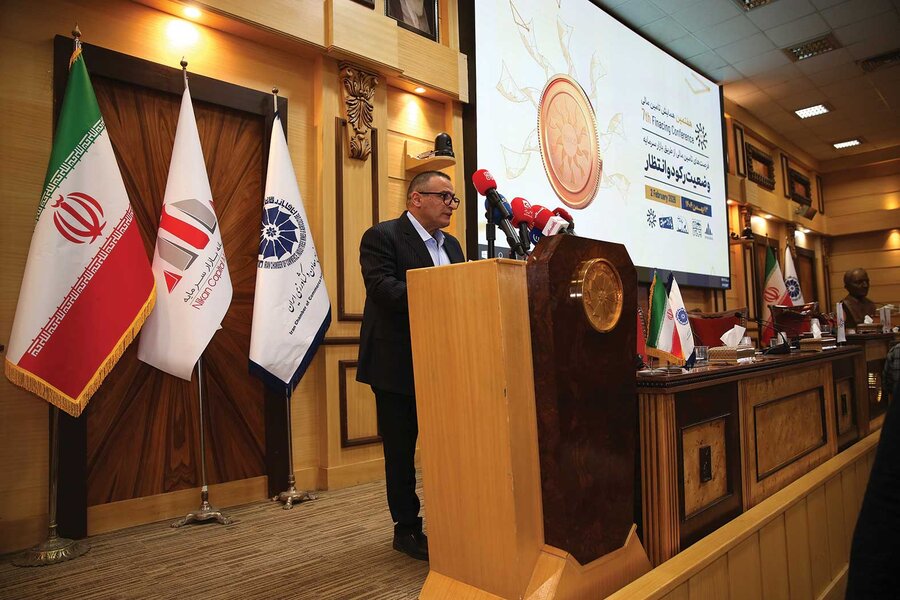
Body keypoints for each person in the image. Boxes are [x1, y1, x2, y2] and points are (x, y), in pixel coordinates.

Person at [356, 170, 464, 560]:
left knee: (449, 448)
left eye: (454, 198)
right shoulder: (382, 236)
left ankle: (453, 521)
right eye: (445, 197)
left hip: (445, 363)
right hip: (396, 364)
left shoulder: (453, 246)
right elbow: (382, 288)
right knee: (401, 454)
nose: (452, 205)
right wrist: (441, 292)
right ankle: (406, 529)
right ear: (416, 199)